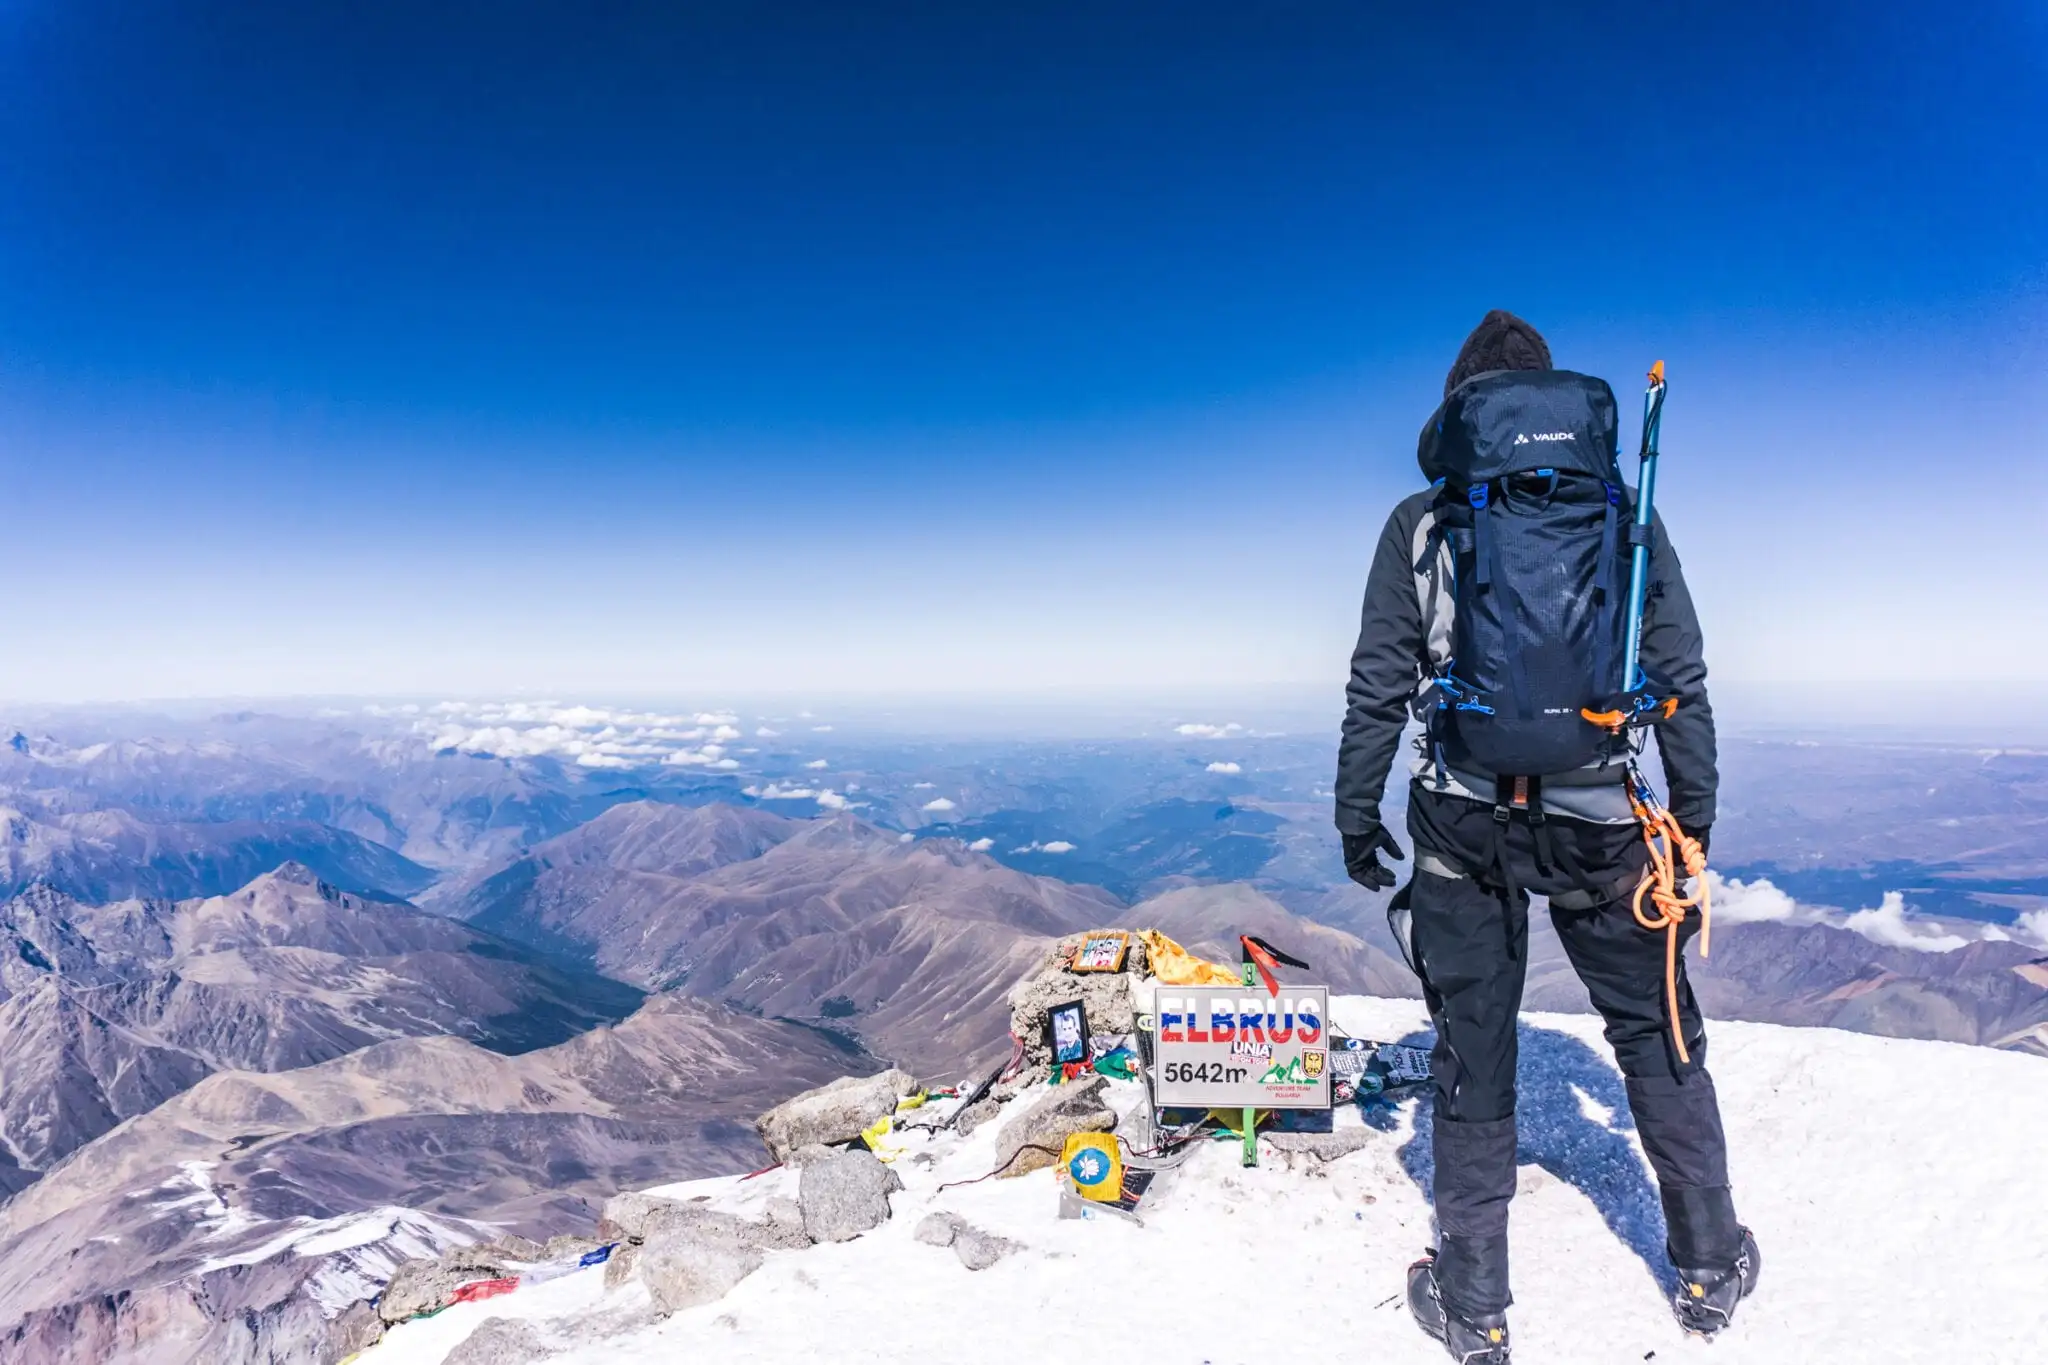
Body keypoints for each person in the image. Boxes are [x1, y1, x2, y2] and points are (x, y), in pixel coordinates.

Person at [1334, 312, 1759, 1364]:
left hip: (1458, 821)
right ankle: (1705, 1264)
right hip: (1605, 823)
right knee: (1655, 1030)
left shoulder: (1423, 522)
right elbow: (1680, 679)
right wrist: (1691, 818)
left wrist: (1357, 811)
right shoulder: (1625, 513)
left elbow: (1379, 682)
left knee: (1472, 1047)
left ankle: (1475, 1305)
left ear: (1458, 412)